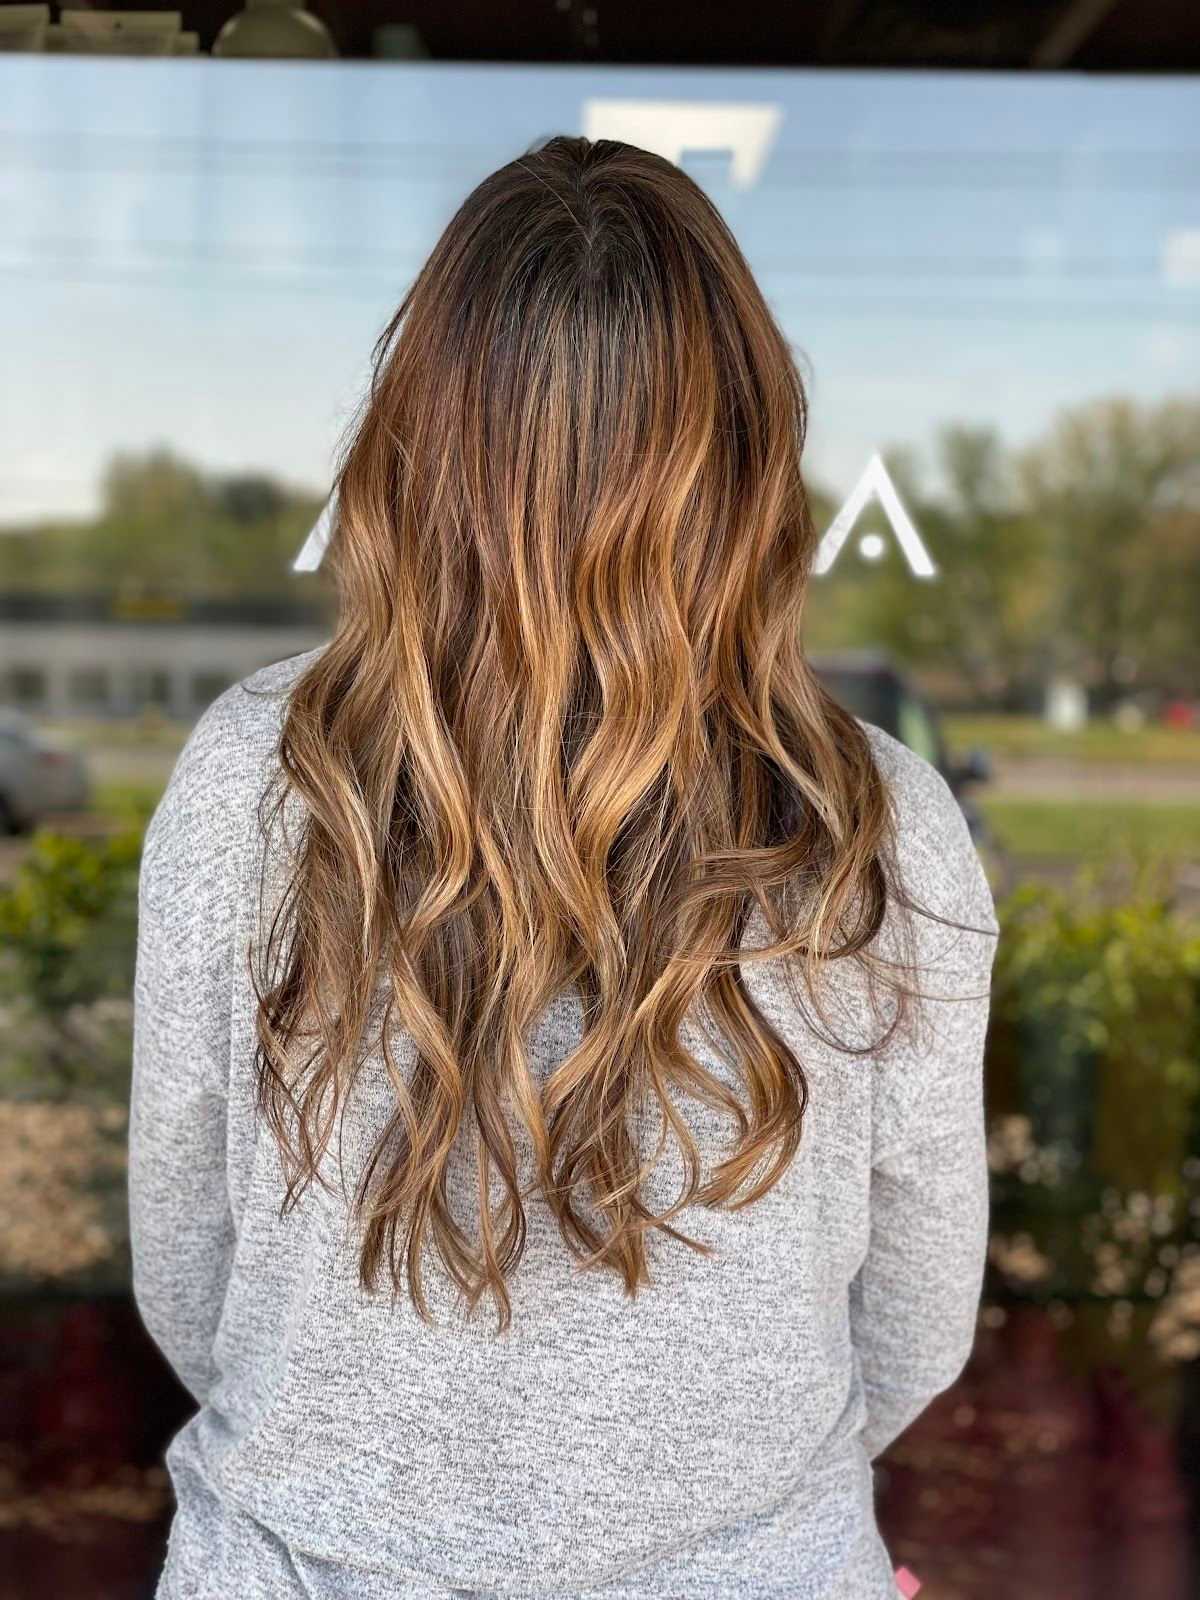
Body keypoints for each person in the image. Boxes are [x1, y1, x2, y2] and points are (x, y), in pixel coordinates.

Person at [128, 134, 999, 1600]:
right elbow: (914, 1312)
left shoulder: (258, 776)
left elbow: (186, 1255)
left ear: (419, 443)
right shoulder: (880, 821)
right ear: (742, 462)